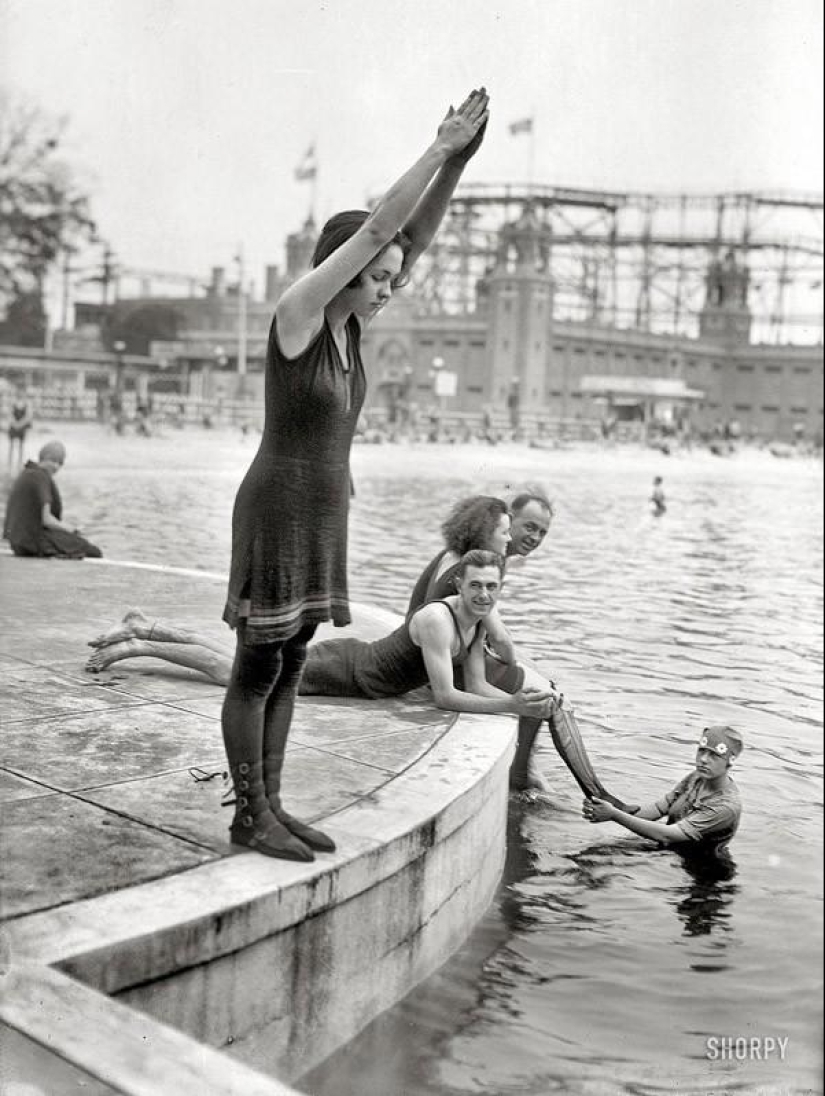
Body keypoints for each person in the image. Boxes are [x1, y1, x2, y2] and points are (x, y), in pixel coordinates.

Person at [219, 88, 491, 862]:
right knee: (257, 662)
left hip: (321, 511)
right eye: (377, 278)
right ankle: (247, 812)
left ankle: (271, 803)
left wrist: (455, 170)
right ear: (345, 270)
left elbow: (408, 240)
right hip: (277, 506)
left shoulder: (349, 331)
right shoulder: (302, 314)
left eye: (392, 280)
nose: (388, 288)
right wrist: (436, 147)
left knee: (295, 657)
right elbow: (379, 228)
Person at [582, 725, 743, 857]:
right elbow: (658, 809)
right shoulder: (697, 777)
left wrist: (614, 815)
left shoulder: (726, 807)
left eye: (714, 755)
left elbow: (666, 834)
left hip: (703, 875)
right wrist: (611, 806)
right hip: (670, 853)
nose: (703, 759)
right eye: (701, 750)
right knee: (594, 852)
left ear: (730, 762)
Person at [2, 440, 102, 559]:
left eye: (60, 463)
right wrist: (72, 529)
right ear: (43, 458)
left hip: (17, 544)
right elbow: (47, 520)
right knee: (94, 551)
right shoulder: (41, 477)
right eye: (53, 461)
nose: (56, 467)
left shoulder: (26, 473)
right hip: (34, 543)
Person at [7, 384, 33, 468]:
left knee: (21, 445)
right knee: (11, 445)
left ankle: (19, 462)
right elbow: (10, 414)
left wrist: (20, 424)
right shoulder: (13, 402)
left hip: (22, 426)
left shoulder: (27, 403)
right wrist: (14, 423)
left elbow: (28, 416)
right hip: (14, 426)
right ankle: (10, 462)